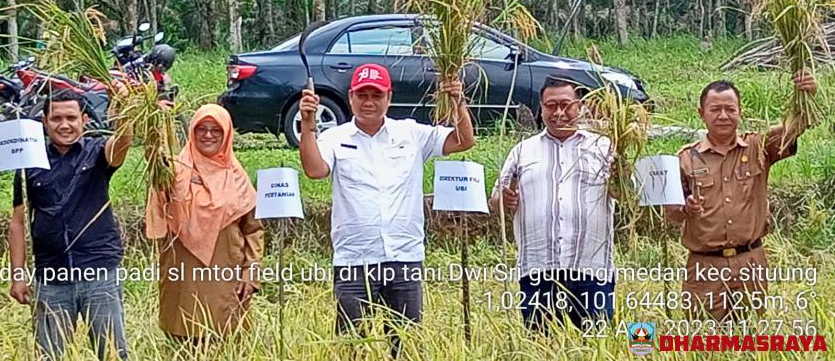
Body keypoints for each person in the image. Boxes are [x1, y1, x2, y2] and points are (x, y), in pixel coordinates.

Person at [298, 63, 475, 356]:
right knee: (353, 347)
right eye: (362, 95)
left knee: (406, 346)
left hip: (404, 258)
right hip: (355, 260)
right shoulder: (335, 137)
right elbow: (314, 170)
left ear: (388, 97)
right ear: (350, 97)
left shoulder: (411, 134)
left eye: (376, 95)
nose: (369, 102)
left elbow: (463, 140)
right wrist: (307, 125)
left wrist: (457, 101)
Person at [664, 71, 818, 322]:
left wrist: (806, 94)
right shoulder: (683, 159)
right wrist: (686, 210)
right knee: (705, 342)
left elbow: (795, 127)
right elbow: (670, 213)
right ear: (701, 113)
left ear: (740, 111)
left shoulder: (760, 147)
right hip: (705, 268)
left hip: (751, 263)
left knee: (750, 340)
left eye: (730, 109)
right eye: (715, 109)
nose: (723, 116)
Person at [9, 88, 133, 361]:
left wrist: (125, 106)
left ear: (84, 120)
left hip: (99, 271)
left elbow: (122, 144)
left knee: (112, 353)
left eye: (71, 118)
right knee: (48, 354)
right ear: (44, 121)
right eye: (56, 118)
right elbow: (17, 223)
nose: (64, 125)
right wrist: (17, 274)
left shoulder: (98, 152)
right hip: (51, 276)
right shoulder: (28, 161)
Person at [490, 77, 616, 334]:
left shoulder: (603, 147)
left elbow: (629, 195)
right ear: (541, 107)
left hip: (592, 269)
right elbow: (496, 202)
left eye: (566, 105)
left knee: (597, 345)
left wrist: (620, 182)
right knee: (541, 345)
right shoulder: (522, 151)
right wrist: (504, 199)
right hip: (538, 270)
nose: (559, 113)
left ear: (579, 106)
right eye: (551, 105)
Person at [145, 104, 264, 340]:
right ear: (192, 131)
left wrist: (251, 272)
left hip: (225, 273)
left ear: (227, 134)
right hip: (182, 274)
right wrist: (152, 120)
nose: (208, 135)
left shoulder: (237, 177)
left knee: (223, 337)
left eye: (216, 130)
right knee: (182, 336)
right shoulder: (174, 171)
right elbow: (153, 162)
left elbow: (253, 230)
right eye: (202, 128)